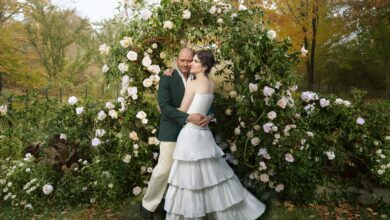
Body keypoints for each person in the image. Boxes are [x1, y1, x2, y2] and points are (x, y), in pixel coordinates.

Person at [164, 50, 266, 219]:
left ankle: (192, 213)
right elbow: (204, 108)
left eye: (195, 61)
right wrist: (209, 117)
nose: (191, 64)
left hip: (191, 133)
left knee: (190, 180)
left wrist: (165, 108)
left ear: (204, 66)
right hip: (203, 132)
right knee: (211, 176)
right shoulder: (210, 84)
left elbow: (183, 111)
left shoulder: (193, 84)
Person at [140, 48, 213, 219]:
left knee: (185, 173)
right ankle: (147, 206)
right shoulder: (168, 77)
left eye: (190, 60)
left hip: (194, 134)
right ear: (176, 60)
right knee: (164, 169)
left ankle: (171, 204)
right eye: (183, 60)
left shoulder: (198, 76)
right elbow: (164, 107)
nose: (187, 64)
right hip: (172, 130)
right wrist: (188, 118)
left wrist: (209, 116)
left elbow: (207, 101)